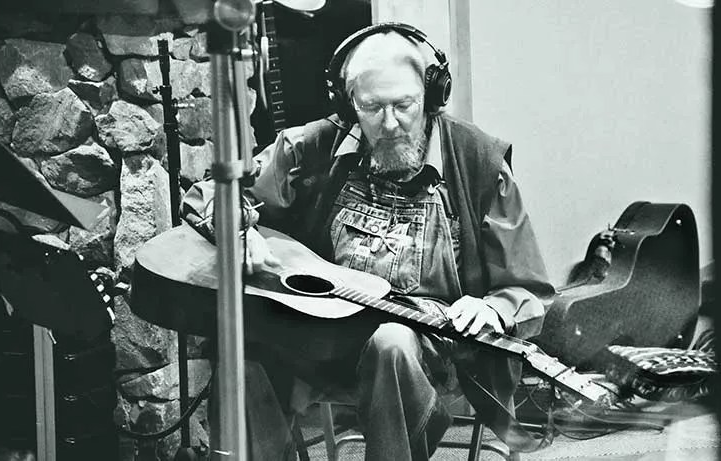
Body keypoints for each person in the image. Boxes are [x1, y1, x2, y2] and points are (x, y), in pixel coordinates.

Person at [184, 22, 554, 461]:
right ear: (348, 103)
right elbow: (215, 191)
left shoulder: (479, 165)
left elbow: (529, 289)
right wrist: (237, 230)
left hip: (429, 355)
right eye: (372, 107)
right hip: (321, 339)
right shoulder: (314, 146)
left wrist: (492, 306)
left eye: (404, 105)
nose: (391, 123)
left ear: (432, 96)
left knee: (391, 343)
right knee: (241, 355)